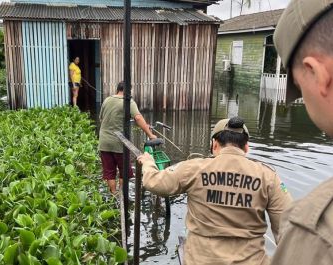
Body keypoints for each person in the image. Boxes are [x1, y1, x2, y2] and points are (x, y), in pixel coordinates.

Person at [137, 117, 292, 265]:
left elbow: (154, 182)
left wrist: (148, 162)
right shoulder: (269, 176)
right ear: (246, 147)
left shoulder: (193, 168)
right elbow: (290, 231)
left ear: (214, 144)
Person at [271, 1, 333, 264]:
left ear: (315, 72)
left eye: (299, 87)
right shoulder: (268, 176)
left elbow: (162, 183)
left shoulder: (315, 231)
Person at [99, 81, 156, 194]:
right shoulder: (128, 102)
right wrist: (150, 134)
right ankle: (122, 196)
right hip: (119, 142)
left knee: (109, 172)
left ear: (118, 89)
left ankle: (114, 195)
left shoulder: (107, 100)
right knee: (124, 170)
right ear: (128, 91)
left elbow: (102, 118)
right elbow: (138, 118)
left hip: (104, 142)